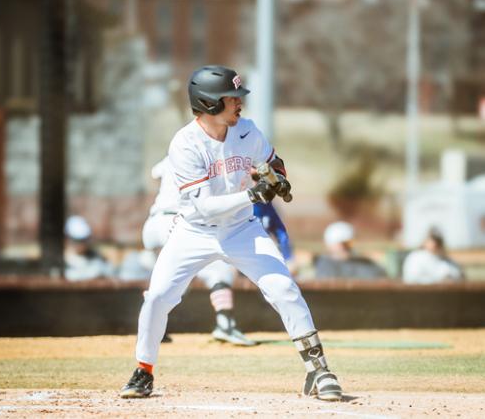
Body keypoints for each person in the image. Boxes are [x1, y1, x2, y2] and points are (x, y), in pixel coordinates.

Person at [120, 65, 342, 401]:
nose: (240, 103)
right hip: (193, 231)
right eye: (232, 98)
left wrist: (276, 176)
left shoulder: (247, 131)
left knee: (284, 288)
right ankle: (143, 370)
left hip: (242, 229)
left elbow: (272, 160)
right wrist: (253, 195)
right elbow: (204, 206)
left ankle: (319, 371)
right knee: (158, 297)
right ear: (209, 103)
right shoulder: (185, 144)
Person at [139, 155, 255, 346]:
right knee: (219, 268)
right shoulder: (211, 158)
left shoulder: (175, 154)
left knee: (172, 278)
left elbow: (155, 174)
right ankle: (225, 324)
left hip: (153, 222)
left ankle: (151, 327)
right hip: (176, 222)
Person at [315, 221, 386, 280]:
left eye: (348, 243)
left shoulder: (365, 265)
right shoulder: (324, 265)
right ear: (329, 245)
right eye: (340, 243)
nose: (344, 247)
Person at [64, 215, 115, 281]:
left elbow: (110, 272)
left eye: (84, 240)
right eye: (77, 241)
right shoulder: (62, 261)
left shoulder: (97, 258)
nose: (81, 244)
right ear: (67, 239)